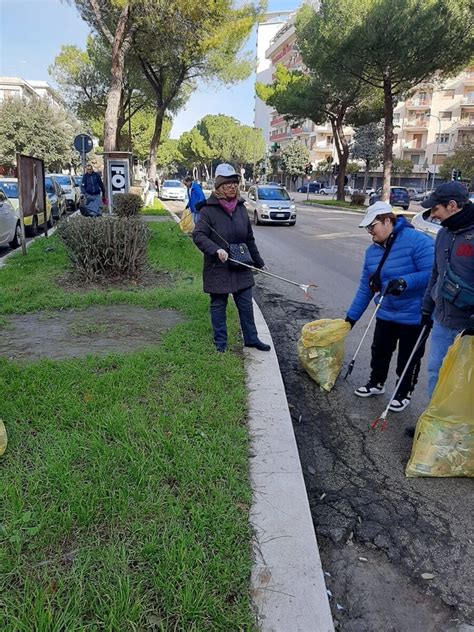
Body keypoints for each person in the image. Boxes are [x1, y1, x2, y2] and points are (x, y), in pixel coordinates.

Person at [345, 201, 434, 411]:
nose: (370, 232)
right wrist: (350, 319)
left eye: (372, 227)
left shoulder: (418, 241)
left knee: (408, 357)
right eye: (367, 228)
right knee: (380, 350)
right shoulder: (372, 252)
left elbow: (432, 274)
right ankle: (376, 382)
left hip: (415, 314)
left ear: (387, 221)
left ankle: (404, 392)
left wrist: (406, 282)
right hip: (386, 311)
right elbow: (365, 288)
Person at [193, 163, 270, 353]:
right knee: (218, 305)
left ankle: (251, 339)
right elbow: (199, 235)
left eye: (235, 183)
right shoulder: (208, 210)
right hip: (217, 267)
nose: (232, 187)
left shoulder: (241, 209)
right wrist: (215, 250)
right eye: (228, 184)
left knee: (246, 305)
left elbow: (249, 239)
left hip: (240, 265)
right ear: (219, 187)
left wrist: (259, 262)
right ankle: (221, 343)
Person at [420, 182, 474, 397]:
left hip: (468, 326)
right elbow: (435, 274)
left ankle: (459, 429)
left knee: (465, 381)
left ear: (452, 205)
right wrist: (426, 309)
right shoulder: (443, 234)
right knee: (436, 372)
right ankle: (433, 424)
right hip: (442, 320)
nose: (433, 215)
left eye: (436, 209)